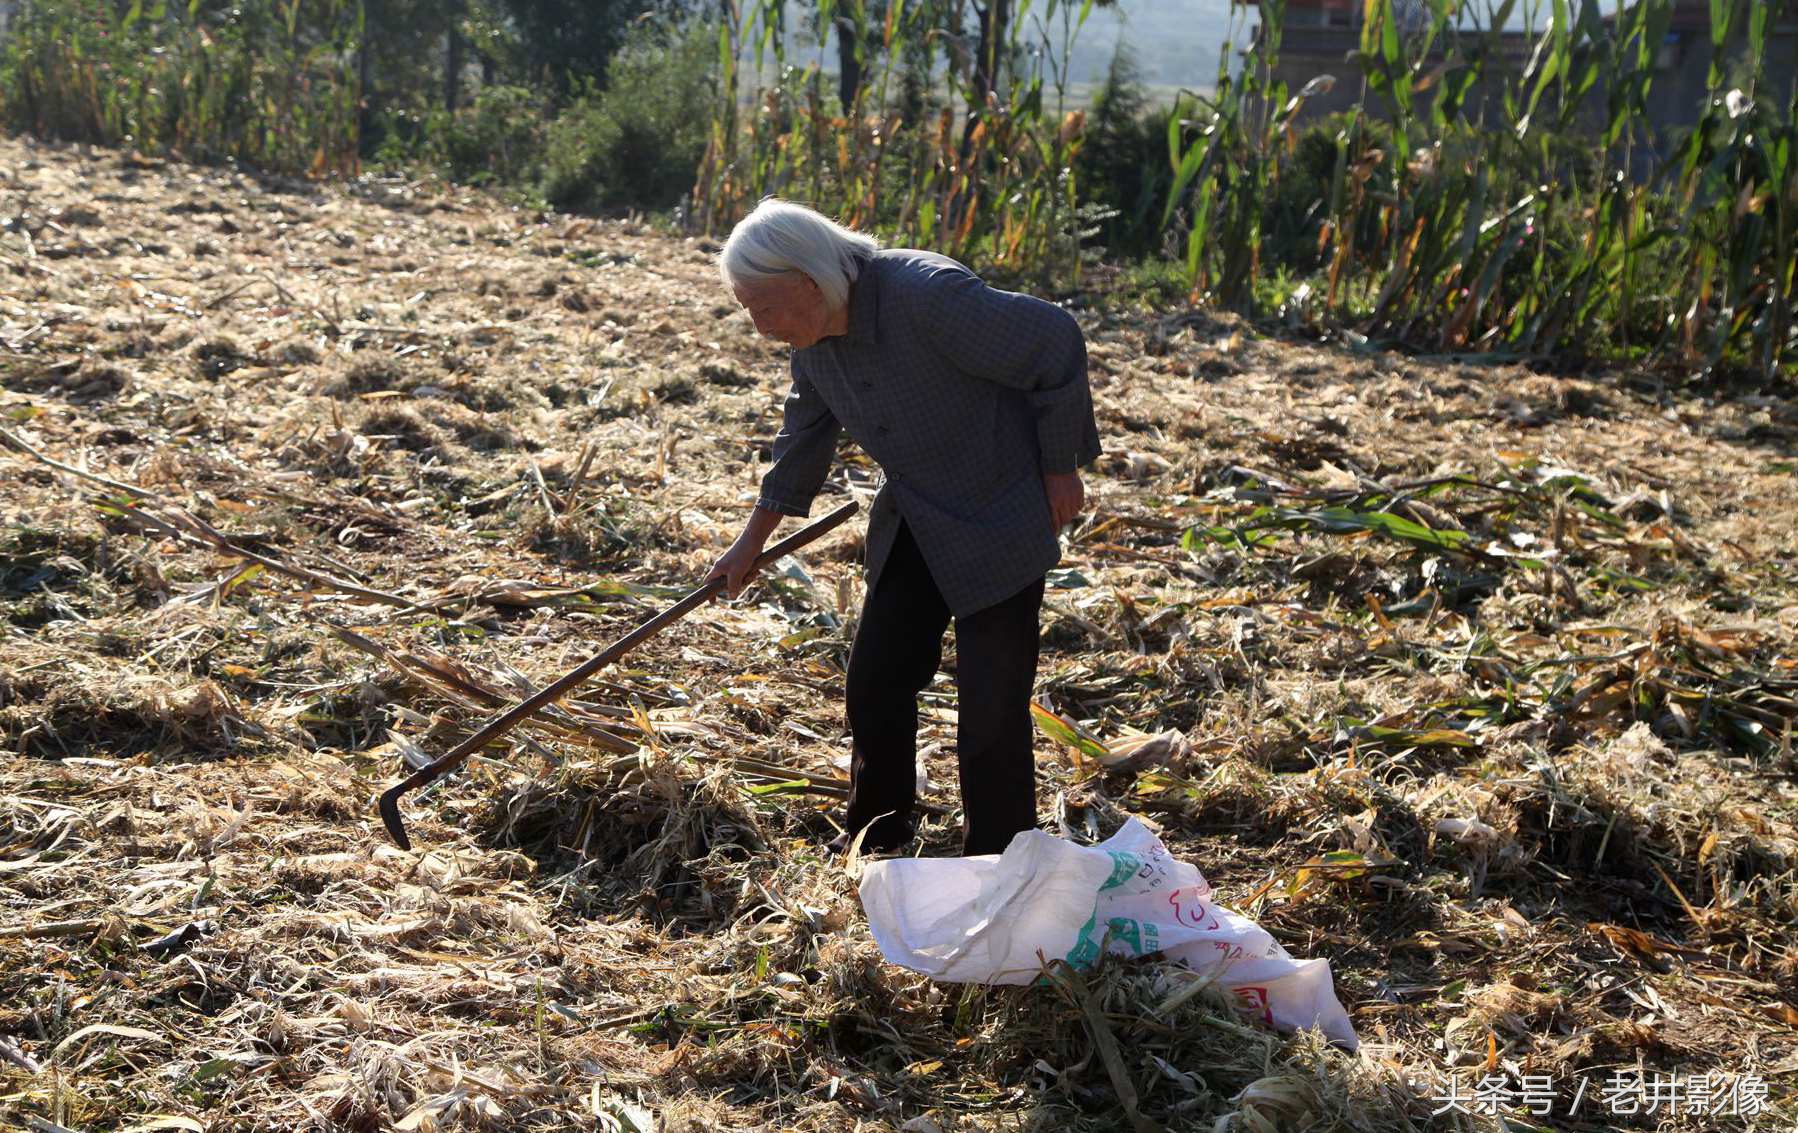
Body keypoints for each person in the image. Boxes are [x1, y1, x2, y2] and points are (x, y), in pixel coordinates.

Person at [706, 198, 1101, 857]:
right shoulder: (815, 345)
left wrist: (1061, 466)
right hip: (918, 514)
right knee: (876, 680)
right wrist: (751, 544)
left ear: (806, 281)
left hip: (1000, 511)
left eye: (762, 306)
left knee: (990, 709)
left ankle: (999, 864)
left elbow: (1053, 339)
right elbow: (801, 442)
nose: (758, 326)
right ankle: (877, 840)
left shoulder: (925, 296)